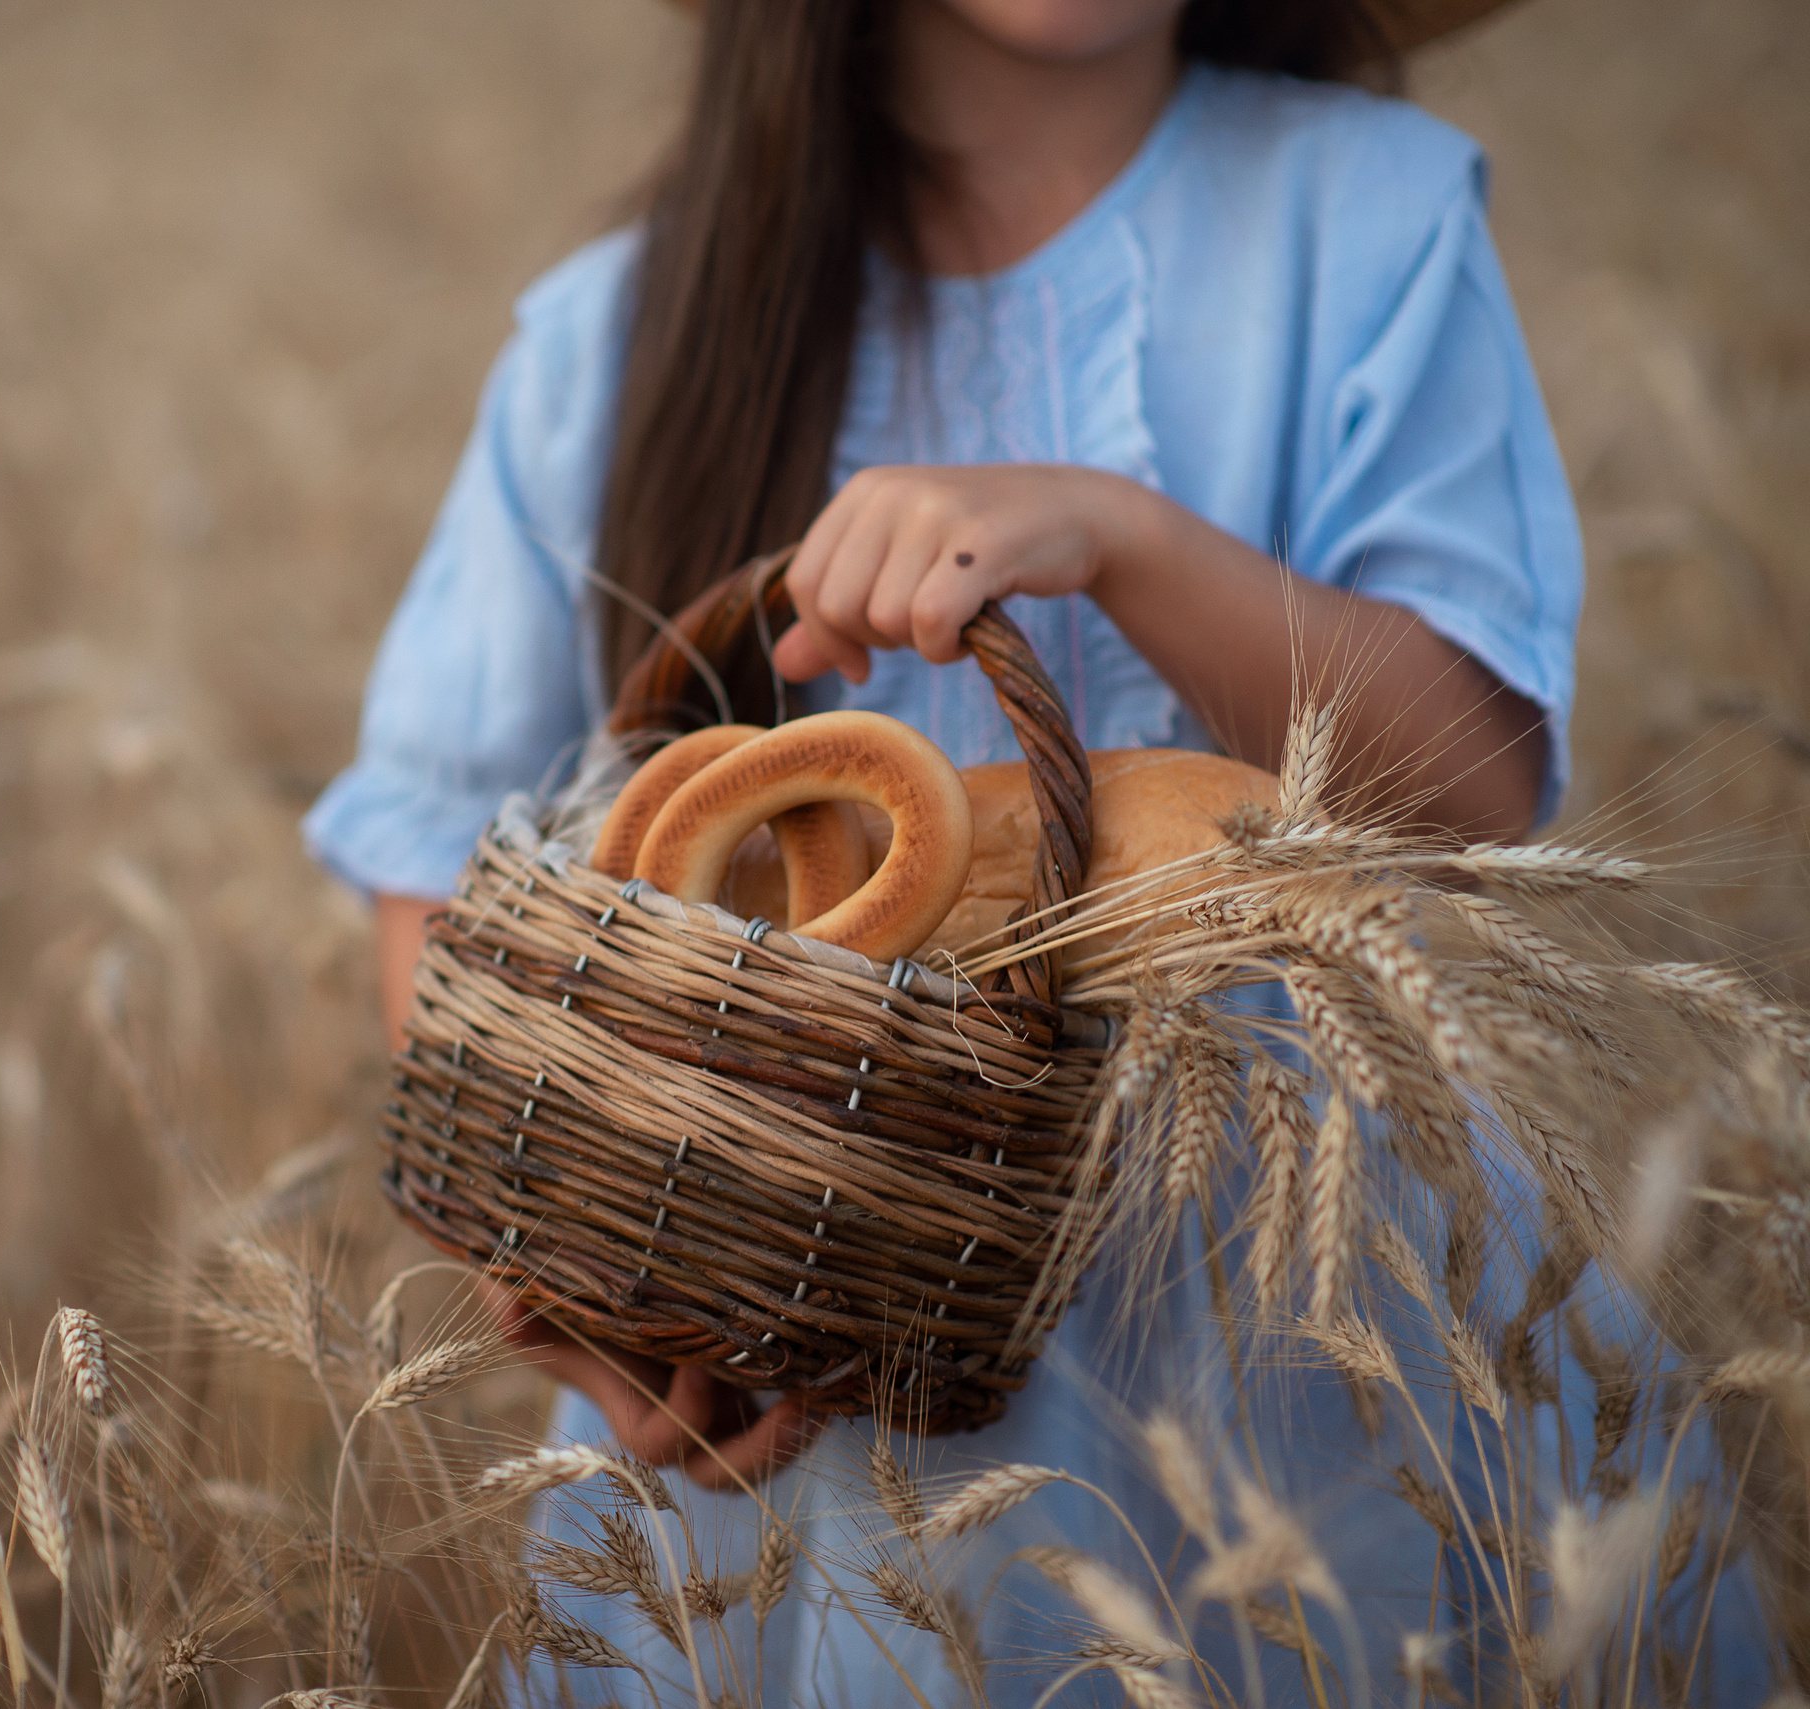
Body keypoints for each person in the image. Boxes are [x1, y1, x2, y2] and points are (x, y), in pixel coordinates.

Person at [305, 2, 1770, 1701]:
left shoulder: (1360, 217)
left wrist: (1125, 535)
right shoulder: (623, 334)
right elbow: (438, 891)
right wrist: (582, 1285)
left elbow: (1470, 789)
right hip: (777, 1398)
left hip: (1310, 1338)